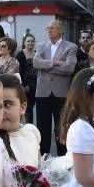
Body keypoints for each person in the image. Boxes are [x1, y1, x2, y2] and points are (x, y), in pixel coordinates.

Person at [33, 20, 77, 155]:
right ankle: (44, 157)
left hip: (61, 93)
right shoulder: (41, 46)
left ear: (60, 30)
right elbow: (35, 63)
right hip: (42, 92)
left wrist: (46, 67)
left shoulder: (71, 47)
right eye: (47, 28)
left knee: (61, 127)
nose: (49, 30)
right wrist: (56, 63)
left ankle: (63, 158)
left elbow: (69, 68)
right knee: (42, 127)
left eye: (52, 28)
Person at [16, 33, 38, 124]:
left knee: (34, 108)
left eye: (32, 41)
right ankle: (28, 127)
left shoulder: (37, 54)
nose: (30, 43)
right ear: (24, 43)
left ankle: (32, 128)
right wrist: (24, 85)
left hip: (37, 85)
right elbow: (19, 71)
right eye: (28, 41)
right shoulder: (20, 55)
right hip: (26, 86)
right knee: (27, 109)